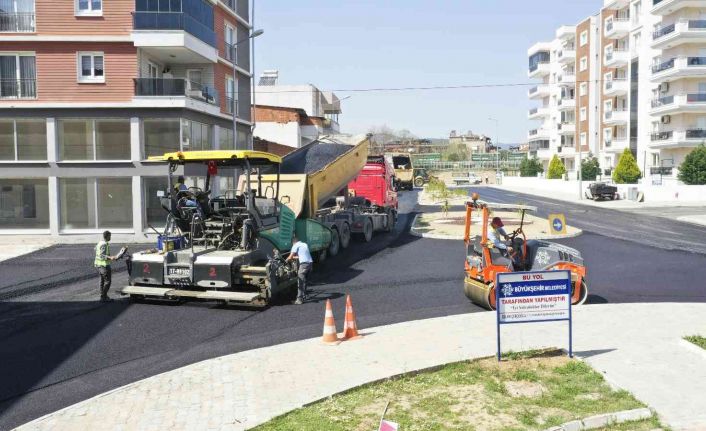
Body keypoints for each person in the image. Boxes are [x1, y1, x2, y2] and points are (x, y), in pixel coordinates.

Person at [286, 234, 313, 304]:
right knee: (305, 280)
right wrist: (293, 257)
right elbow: (301, 256)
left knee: (300, 281)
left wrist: (286, 259)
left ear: (293, 242)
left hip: (304, 264)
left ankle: (299, 299)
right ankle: (304, 295)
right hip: (310, 264)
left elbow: (290, 257)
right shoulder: (304, 244)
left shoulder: (295, 245)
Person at [95, 230, 120, 302]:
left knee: (102, 281)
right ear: (107, 236)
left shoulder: (100, 243)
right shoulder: (104, 244)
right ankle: (103, 296)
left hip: (99, 264)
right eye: (110, 236)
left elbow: (95, 249)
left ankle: (103, 295)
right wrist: (110, 257)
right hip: (104, 265)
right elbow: (102, 255)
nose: (110, 237)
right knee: (108, 281)